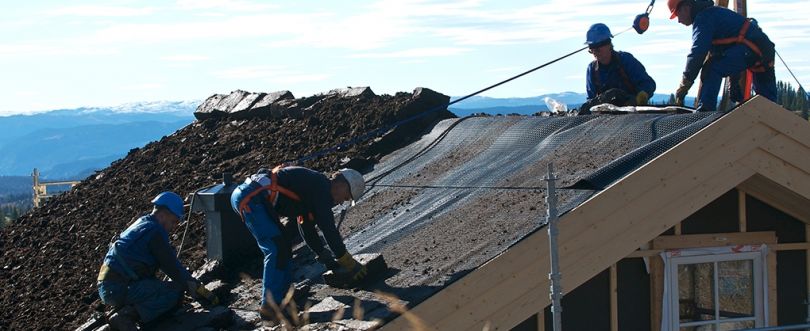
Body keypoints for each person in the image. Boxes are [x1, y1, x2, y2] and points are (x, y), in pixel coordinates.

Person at [230, 166, 367, 320]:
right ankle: (269, 307)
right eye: (347, 197)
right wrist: (345, 259)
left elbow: (306, 228)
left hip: (252, 197)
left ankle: (283, 296)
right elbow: (328, 228)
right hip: (251, 198)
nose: (343, 202)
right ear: (342, 185)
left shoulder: (313, 191)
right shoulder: (321, 188)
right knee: (275, 249)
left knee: (283, 248)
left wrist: (324, 256)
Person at [97, 192, 217, 330]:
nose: (174, 227)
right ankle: (125, 317)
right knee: (175, 292)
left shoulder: (142, 223)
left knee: (159, 287)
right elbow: (173, 269)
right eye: (174, 221)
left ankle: (125, 311)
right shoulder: (155, 232)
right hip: (119, 287)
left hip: (110, 286)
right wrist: (198, 289)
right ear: (162, 215)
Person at [670, 0, 776, 111]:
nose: (678, 20)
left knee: (712, 68)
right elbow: (732, 49)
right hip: (763, 52)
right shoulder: (714, 14)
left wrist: (685, 84)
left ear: (686, 7)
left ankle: (705, 113)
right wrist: (734, 83)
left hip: (752, 50)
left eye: (677, 14)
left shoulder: (704, 18)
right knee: (768, 105)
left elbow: (698, 53)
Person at [580, 23, 657, 114]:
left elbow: (648, 84)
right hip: (607, 121)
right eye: (591, 49)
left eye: (598, 48)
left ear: (608, 44)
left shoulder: (626, 60)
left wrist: (638, 98)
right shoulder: (592, 69)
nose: (595, 52)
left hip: (634, 117)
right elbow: (591, 99)